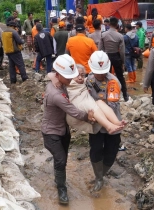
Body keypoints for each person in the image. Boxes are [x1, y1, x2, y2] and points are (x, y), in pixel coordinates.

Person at [41, 54, 95, 204]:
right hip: (51, 132)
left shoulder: (59, 80)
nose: (71, 79)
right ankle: (61, 189)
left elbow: (51, 74)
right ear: (59, 75)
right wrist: (88, 117)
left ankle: (59, 179)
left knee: (61, 160)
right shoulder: (56, 94)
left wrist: (53, 77)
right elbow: (74, 112)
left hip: (63, 130)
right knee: (61, 159)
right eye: (68, 77)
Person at [85, 51, 123, 192]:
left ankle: (102, 174)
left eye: (102, 72)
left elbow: (112, 106)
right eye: (96, 72)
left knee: (111, 151)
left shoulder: (113, 82)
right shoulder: (88, 80)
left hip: (112, 120)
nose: (99, 75)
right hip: (95, 123)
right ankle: (98, 177)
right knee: (95, 149)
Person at [48, 64, 125, 134]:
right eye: (77, 75)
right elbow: (51, 75)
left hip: (87, 109)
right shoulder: (67, 83)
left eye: (82, 75)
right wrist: (54, 78)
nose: (80, 77)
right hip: (75, 112)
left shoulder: (86, 81)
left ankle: (116, 122)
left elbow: (91, 78)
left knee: (99, 102)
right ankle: (109, 127)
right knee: (89, 104)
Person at [99, 17, 128, 101]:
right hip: (116, 56)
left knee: (105, 76)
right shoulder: (120, 36)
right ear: (116, 25)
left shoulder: (103, 35)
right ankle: (125, 95)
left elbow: (100, 48)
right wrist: (123, 61)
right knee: (120, 76)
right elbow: (122, 51)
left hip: (106, 56)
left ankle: (104, 94)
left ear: (109, 24)